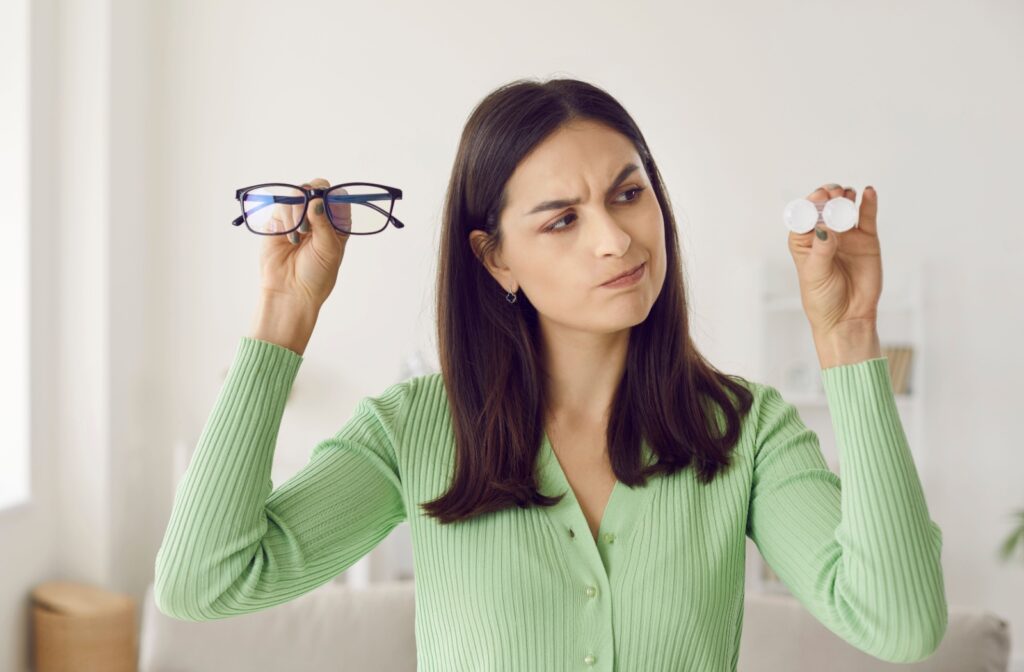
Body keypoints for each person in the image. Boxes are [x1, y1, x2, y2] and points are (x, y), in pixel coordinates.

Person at [154, 77, 947, 671]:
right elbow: (204, 583)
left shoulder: (746, 431)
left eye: (628, 194)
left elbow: (900, 622)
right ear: (494, 256)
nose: (616, 239)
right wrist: (282, 320)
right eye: (563, 218)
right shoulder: (414, 430)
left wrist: (848, 339)